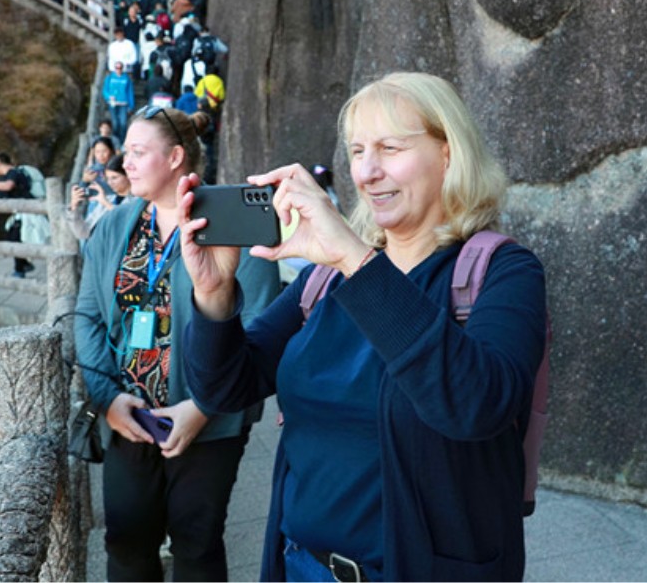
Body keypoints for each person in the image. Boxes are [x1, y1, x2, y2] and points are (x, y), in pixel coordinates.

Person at [177, 72, 547, 581]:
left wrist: (355, 255)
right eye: (356, 151)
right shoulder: (325, 280)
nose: (368, 172)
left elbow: (475, 404)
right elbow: (222, 388)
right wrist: (214, 292)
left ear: (448, 154)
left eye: (390, 148)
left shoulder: (503, 271)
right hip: (299, 565)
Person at [72, 106, 280, 581]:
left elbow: (262, 327)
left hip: (212, 418)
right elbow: (86, 315)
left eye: (139, 152)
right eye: (126, 151)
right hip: (129, 414)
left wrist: (203, 407)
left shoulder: (233, 225)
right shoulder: (115, 224)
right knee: (125, 536)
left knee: (197, 539)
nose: (125, 161)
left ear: (176, 158)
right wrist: (106, 399)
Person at [0, 152, 35, 278]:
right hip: (17, 214)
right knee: (13, 238)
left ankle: (19, 270)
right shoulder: (4, 178)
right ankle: (23, 264)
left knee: (15, 239)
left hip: (25, 212)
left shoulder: (14, 173)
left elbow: (8, 186)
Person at [67, 153, 130, 241]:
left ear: (128, 175)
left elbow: (128, 223)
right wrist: (74, 207)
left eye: (115, 178)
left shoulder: (137, 201)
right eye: (107, 178)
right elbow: (83, 233)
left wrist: (107, 204)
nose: (110, 182)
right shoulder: (108, 199)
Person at [104, 61, 135, 142]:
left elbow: (130, 92)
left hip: (124, 104)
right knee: (115, 123)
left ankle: (122, 141)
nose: (118, 69)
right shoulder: (110, 77)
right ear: (114, 68)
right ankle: (115, 140)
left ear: (122, 68)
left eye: (120, 68)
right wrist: (109, 96)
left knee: (123, 123)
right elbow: (105, 90)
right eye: (117, 68)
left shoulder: (126, 78)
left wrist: (131, 106)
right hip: (113, 103)